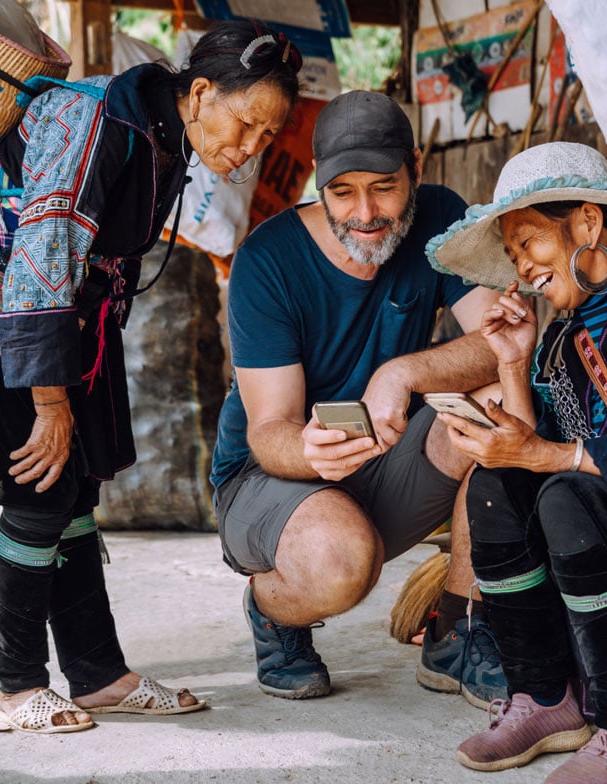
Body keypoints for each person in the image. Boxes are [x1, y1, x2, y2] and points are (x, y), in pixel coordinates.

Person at [0, 20, 302, 734]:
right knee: (40, 480)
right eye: (247, 124)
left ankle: (98, 675)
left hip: (63, 311)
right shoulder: (98, 117)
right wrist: (50, 401)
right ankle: (15, 688)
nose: (252, 148)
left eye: (268, 137)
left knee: (74, 489)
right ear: (199, 93)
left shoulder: (164, 135)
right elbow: (45, 246)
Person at [425, 141, 607, 783]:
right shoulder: (561, 338)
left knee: (567, 495)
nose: (523, 268)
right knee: (497, 484)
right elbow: (533, 453)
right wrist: (511, 361)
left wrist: (541, 453)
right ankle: (546, 698)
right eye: (514, 254)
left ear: (587, 222)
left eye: (529, 242)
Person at [210, 89, 508, 705]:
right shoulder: (267, 259)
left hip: (387, 457)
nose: (366, 211)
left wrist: (400, 373)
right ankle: (274, 610)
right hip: (271, 477)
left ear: (417, 170)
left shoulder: (440, 218)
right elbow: (269, 432)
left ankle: (458, 624)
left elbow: (503, 339)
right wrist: (313, 454)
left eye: (384, 187)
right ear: (319, 185)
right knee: (340, 560)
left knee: (505, 393)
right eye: (343, 191)